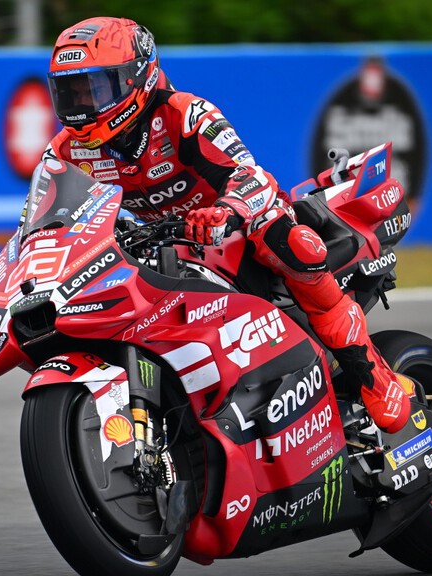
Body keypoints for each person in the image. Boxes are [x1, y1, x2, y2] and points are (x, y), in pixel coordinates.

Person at [42, 16, 411, 433]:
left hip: (236, 225)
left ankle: (372, 376)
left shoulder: (184, 115)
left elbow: (248, 175)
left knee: (290, 241)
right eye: (70, 92)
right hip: (165, 244)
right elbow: (44, 222)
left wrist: (226, 211)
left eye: (94, 88)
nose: (82, 105)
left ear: (137, 80)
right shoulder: (67, 151)